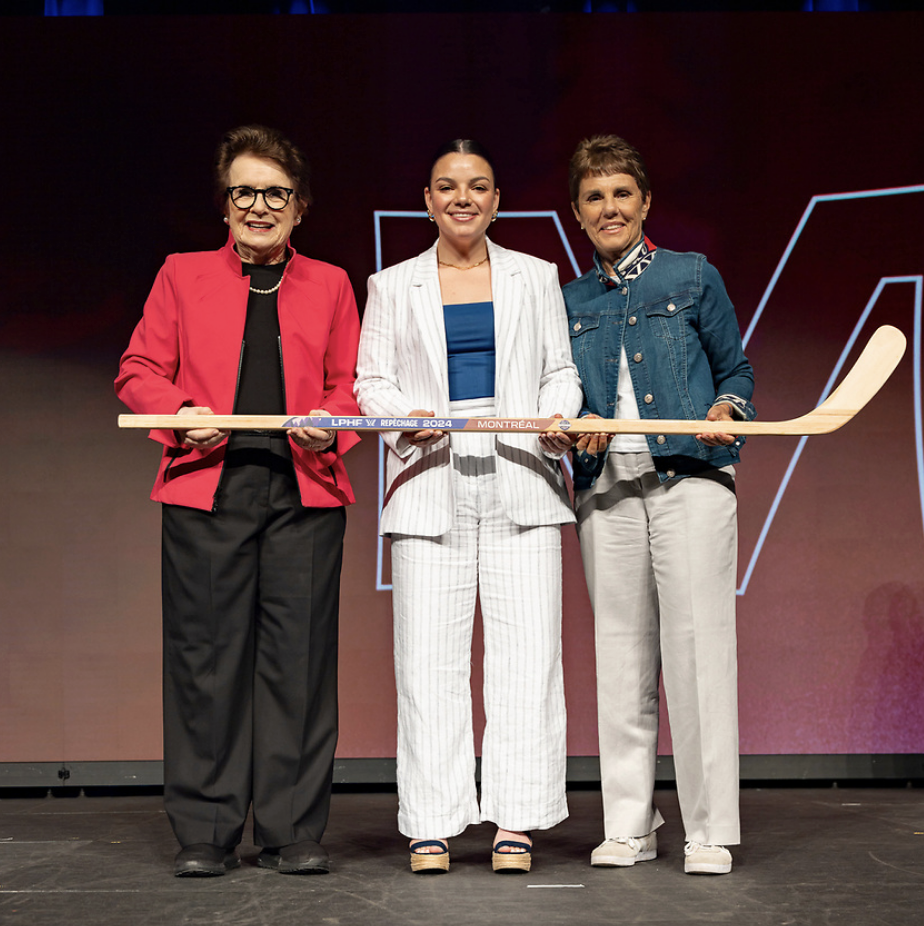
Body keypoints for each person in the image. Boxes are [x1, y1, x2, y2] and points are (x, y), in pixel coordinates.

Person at [115, 125, 361, 877]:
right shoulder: (181, 274)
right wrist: (180, 409)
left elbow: (351, 386)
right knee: (206, 660)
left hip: (303, 492)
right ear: (225, 205)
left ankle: (292, 829)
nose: (260, 206)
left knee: (299, 662)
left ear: (301, 206)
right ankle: (206, 829)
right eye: (245, 192)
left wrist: (332, 426)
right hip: (206, 490)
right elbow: (137, 370)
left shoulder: (332, 283)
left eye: (275, 193)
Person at [354, 139, 581, 874]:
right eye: (448, 186)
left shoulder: (536, 275)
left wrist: (554, 416)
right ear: (427, 199)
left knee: (526, 658)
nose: (463, 197)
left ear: (496, 199)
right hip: (430, 478)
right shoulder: (392, 285)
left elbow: (559, 371)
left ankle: (515, 820)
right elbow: (370, 383)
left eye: (478, 186)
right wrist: (403, 415)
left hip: (521, 473)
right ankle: (432, 821)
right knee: (428, 661)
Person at [563, 135, 755, 875]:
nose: (608, 207)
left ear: (644, 202)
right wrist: (572, 429)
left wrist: (728, 409)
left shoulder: (691, 276)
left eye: (620, 193)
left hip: (691, 481)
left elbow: (734, 368)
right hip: (608, 491)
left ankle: (708, 831)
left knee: (699, 653)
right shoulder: (570, 300)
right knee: (620, 657)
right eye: (593, 197)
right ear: (577, 214)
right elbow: (566, 397)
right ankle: (630, 824)